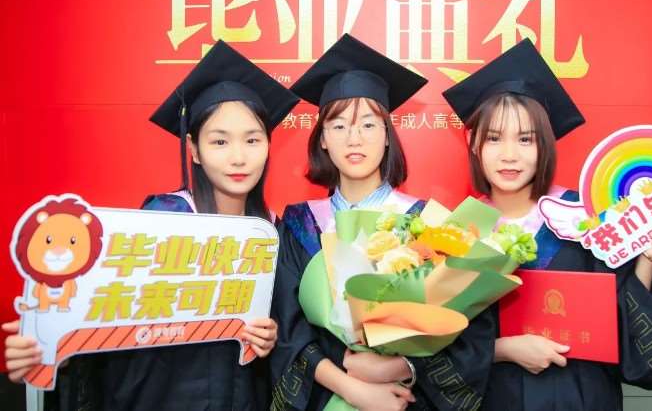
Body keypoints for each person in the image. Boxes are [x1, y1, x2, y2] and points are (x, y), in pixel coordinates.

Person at [3, 40, 298, 410]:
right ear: (194, 149)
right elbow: (105, 318)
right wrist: (47, 344)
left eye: (252, 140)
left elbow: (283, 332)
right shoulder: (166, 218)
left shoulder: (272, 230)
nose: (238, 157)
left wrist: (268, 338)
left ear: (268, 145)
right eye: (219, 141)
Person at [442, 38, 652, 411]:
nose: (509, 155)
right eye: (494, 138)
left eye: (526, 139)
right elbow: (440, 345)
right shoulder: (457, 231)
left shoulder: (587, 217)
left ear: (546, 144)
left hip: (583, 395)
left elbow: (624, 325)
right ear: (474, 143)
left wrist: (646, 258)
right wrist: (502, 349)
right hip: (496, 398)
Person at [270, 34, 495, 411]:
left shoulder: (424, 222)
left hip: (403, 400)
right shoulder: (299, 224)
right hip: (324, 397)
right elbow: (286, 328)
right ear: (322, 139)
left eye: (369, 125)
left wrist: (403, 366)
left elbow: (469, 331)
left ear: (388, 136)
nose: (354, 139)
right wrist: (351, 383)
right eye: (338, 126)